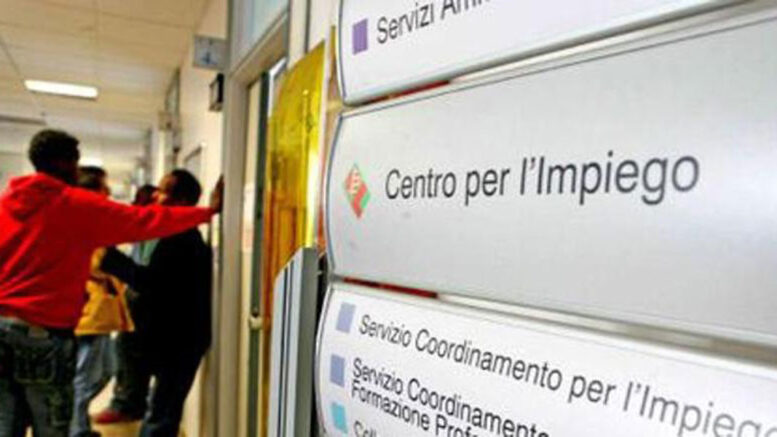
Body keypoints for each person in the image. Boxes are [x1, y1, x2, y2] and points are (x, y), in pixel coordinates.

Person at [0, 129, 222, 437]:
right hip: (43, 334)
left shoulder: (6, 203)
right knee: (51, 427)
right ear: (67, 163)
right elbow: (142, 221)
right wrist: (208, 212)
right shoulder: (74, 204)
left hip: (3, 328)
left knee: (6, 424)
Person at [100, 170, 213, 437]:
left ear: (181, 201)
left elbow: (150, 282)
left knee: (161, 415)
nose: (154, 196)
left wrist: (110, 258)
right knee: (159, 410)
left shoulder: (182, 241)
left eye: (162, 191)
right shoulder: (169, 235)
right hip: (165, 337)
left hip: (179, 341)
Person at [69, 167, 135, 437]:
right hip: (89, 314)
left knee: (106, 370)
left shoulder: (91, 221)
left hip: (100, 313)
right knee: (87, 376)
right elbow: (93, 262)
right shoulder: (82, 222)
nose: (108, 192)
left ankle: (78, 423)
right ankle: (77, 429)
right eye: (103, 187)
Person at [93, 185, 158, 424]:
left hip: (144, 304)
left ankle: (128, 403)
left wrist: (113, 263)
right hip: (123, 304)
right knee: (121, 356)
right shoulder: (142, 234)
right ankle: (126, 402)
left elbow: (143, 274)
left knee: (121, 359)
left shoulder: (161, 236)